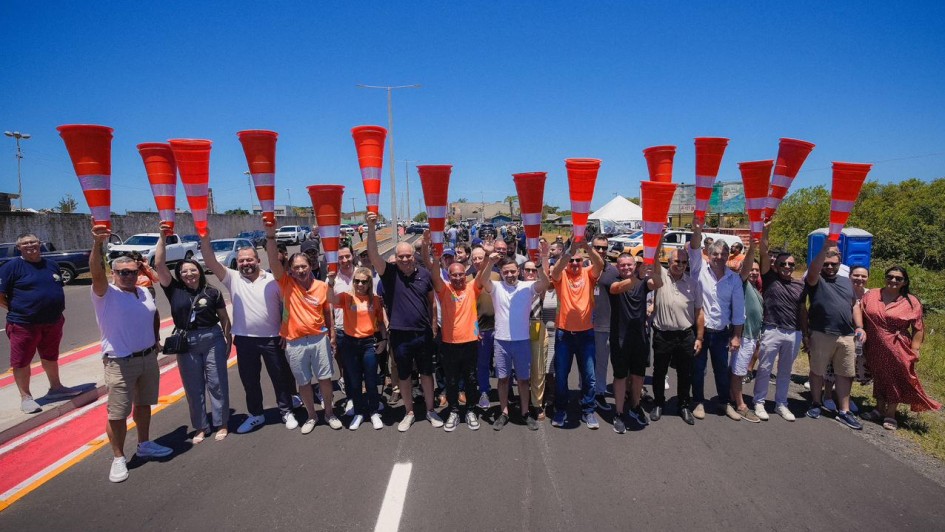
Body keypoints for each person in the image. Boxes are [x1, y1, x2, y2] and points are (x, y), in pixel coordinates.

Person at [90, 223, 171, 483]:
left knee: (144, 405)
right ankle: (117, 457)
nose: (127, 276)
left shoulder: (144, 292)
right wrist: (97, 244)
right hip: (120, 363)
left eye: (131, 272)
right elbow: (95, 272)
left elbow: (153, 316)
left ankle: (144, 444)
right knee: (117, 413)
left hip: (147, 358)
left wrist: (156, 340)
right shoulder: (105, 293)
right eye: (122, 272)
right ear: (113, 273)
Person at [200, 226, 298, 434]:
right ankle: (256, 415)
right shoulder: (232, 278)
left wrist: (285, 329)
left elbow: (287, 308)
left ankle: (286, 411)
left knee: (280, 378)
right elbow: (209, 262)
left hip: (272, 338)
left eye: (249, 259)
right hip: (245, 340)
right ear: (238, 263)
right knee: (250, 381)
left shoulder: (273, 280)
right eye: (242, 260)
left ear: (258, 260)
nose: (245, 263)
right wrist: (205, 238)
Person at [153, 224, 232, 442]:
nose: (189, 274)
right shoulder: (174, 289)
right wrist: (162, 236)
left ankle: (222, 423)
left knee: (217, 383)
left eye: (193, 269)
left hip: (212, 339)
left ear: (199, 271)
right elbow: (159, 263)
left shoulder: (212, 292)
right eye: (184, 271)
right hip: (186, 343)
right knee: (193, 386)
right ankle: (200, 426)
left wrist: (228, 339)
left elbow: (224, 319)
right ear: (179, 274)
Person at [365, 212, 442, 432]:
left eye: (408, 256)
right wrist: (371, 229)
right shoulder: (389, 274)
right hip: (399, 335)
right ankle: (408, 412)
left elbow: (431, 302)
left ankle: (430, 410)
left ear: (413, 256)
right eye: (401, 257)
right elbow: (373, 254)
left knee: (427, 374)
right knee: (405, 376)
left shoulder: (425, 275)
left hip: (423, 333)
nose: (405, 259)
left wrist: (434, 323)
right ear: (396, 258)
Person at [265, 223, 340, 434]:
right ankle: (311, 416)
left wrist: (332, 336)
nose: (300, 270)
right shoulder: (286, 283)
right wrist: (271, 237)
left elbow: (328, 314)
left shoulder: (322, 287)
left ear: (310, 266)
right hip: (295, 342)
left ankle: (329, 413)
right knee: (304, 382)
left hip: (319, 339)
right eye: (296, 267)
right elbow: (273, 261)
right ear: (290, 270)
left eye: (303, 266)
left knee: (325, 379)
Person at [0, 232, 80, 414]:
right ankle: (26, 397)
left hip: (53, 321)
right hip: (23, 323)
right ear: (19, 247)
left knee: (50, 356)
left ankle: (56, 388)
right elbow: (1, 295)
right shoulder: (11, 267)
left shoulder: (51, 265)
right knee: (21, 361)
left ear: (40, 244)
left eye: (33, 242)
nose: (30, 246)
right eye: (25, 243)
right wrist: (18, 309)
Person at [422, 232, 490, 431]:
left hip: (470, 342)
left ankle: (470, 410)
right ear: (449, 276)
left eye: (461, 274)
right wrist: (431, 253)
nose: (458, 277)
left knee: (470, 379)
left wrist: (488, 257)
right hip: (449, 343)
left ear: (465, 274)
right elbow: (434, 273)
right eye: (454, 275)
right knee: (451, 380)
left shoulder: (472, 288)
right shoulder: (444, 290)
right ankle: (453, 411)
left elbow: (483, 273)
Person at [480, 242, 551, 430]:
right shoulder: (496, 287)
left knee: (523, 379)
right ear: (501, 272)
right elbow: (482, 280)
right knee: (503, 379)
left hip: (522, 341)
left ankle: (525, 412)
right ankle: (504, 412)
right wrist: (489, 262)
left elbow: (545, 283)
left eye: (513, 271)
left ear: (518, 271)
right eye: (506, 272)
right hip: (501, 342)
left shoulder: (527, 287)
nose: (510, 275)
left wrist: (541, 261)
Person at [860, 266, 940, 430]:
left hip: (898, 347)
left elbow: (918, 328)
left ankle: (890, 414)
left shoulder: (911, 301)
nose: (893, 280)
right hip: (874, 345)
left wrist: (915, 349)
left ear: (905, 282)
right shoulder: (872, 294)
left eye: (898, 278)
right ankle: (879, 409)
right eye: (890, 276)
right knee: (879, 376)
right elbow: (859, 311)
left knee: (895, 378)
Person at [803, 240, 864, 430]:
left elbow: (854, 304)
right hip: (822, 333)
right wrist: (824, 249)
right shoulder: (815, 279)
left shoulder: (847, 282)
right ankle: (815, 403)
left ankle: (844, 411)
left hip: (846, 335)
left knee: (845, 374)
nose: (829, 267)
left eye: (834, 264)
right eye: (826, 263)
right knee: (817, 370)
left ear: (840, 264)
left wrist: (860, 327)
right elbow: (813, 270)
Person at [689, 221, 745, 419]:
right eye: (715, 254)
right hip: (700, 331)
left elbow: (739, 311)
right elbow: (694, 249)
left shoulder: (734, 279)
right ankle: (698, 402)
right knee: (698, 369)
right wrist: (697, 230)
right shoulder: (699, 271)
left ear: (728, 255)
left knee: (722, 370)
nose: (719, 257)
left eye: (723, 254)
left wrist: (737, 336)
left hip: (722, 332)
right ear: (709, 255)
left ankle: (724, 402)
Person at [550, 238, 606, 429]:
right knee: (561, 376)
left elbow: (600, 264)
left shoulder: (588, 273)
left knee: (589, 376)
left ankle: (588, 410)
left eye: (578, 260)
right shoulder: (561, 275)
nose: (574, 264)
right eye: (572, 260)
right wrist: (569, 251)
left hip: (586, 335)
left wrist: (587, 248)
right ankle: (560, 410)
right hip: (564, 334)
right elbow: (555, 271)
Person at [753, 224, 806, 422]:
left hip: (793, 332)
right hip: (772, 329)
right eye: (783, 264)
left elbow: (802, 310)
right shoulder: (770, 278)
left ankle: (781, 404)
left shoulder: (800, 284)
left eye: (791, 265)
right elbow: (764, 252)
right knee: (765, 368)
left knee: (785, 372)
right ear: (777, 265)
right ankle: (759, 402)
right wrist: (765, 231)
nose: (787, 267)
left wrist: (805, 335)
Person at [606, 253, 662, 433]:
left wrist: (652, 270)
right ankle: (620, 412)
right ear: (617, 266)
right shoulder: (613, 280)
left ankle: (636, 405)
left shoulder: (643, 282)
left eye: (630, 265)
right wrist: (638, 276)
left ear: (634, 265)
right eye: (622, 265)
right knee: (620, 376)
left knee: (638, 376)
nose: (626, 268)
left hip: (640, 337)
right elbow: (618, 289)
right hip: (619, 338)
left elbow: (658, 284)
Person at [328, 266, 387, 430]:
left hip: (369, 343)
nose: (360, 284)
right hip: (350, 343)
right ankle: (359, 412)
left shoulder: (375, 300)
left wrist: (384, 340)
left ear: (369, 283)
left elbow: (381, 322)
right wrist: (331, 283)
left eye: (364, 281)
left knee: (371, 379)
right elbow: (330, 299)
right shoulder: (347, 297)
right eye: (357, 281)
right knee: (354, 381)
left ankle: (374, 411)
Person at [650, 248, 703, 425]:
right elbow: (653, 256)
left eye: (683, 262)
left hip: (685, 335)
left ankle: (683, 405)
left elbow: (698, 312)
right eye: (676, 261)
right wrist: (660, 234)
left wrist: (700, 338)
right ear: (669, 262)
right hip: (663, 335)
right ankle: (658, 403)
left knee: (685, 373)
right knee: (659, 372)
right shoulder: (661, 276)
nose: (680, 265)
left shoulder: (693, 284)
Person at [725, 240, 762, 423]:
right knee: (739, 371)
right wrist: (753, 248)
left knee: (738, 370)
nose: (753, 272)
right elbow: (746, 268)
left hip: (753, 337)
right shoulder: (742, 283)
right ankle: (740, 404)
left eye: (757, 270)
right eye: (751, 269)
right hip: (743, 335)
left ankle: (732, 396)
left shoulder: (755, 288)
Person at [329, 245, 357, 413]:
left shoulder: (362, 275)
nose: (345, 260)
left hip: (363, 330)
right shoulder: (332, 281)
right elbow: (329, 310)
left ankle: (366, 398)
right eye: (341, 258)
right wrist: (332, 333)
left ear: (352, 256)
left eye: (347, 256)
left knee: (362, 367)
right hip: (341, 329)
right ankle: (351, 399)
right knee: (346, 367)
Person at [591, 235, 616, 412]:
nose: (601, 251)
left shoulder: (614, 271)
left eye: (604, 248)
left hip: (604, 324)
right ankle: (586, 391)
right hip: (583, 325)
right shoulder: (582, 267)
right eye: (597, 247)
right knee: (585, 363)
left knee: (601, 363)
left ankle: (599, 393)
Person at [523, 259, 550, 420]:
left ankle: (537, 404)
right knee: (521, 369)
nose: (531, 273)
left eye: (534, 270)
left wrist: (543, 259)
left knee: (538, 369)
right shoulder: (517, 287)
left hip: (537, 327)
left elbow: (545, 281)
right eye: (528, 270)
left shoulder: (540, 288)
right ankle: (523, 399)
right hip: (519, 328)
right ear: (522, 271)